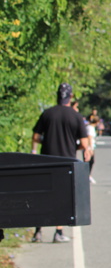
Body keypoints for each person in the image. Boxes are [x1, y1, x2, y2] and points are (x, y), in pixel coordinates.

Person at [30, 83, 92, 243]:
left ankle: (38, 231)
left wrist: (41, 146)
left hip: (46, 161)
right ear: (70, 97)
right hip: (66, 163)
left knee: (43, 195)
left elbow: (36, 137)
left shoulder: (47, 113)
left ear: (57, 95)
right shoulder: (76, 116)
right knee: (62, 198)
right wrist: (76, 147)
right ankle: (58, 232)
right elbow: (84, 143)